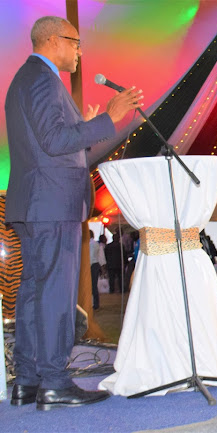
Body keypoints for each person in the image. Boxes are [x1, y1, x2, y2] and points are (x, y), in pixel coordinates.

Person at [5, 15, 143, 409]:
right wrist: (106, 119)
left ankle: (28, 380)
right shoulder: (41, 79)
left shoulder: (31, 80)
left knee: (34, 292)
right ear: (53, 40)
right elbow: (54, 141)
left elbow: (63, 148)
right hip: (49, 204)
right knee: (54, 295)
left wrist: (95, 126)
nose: (80, 51)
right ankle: (54, 381)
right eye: (76, 42)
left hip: (40, 202)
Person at [88, 230, 102, 310]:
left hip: (92, 265)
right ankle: (95, 303)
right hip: (95, 264)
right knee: (94, 285)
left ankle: (95, 304)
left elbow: (91, 256)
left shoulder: (91, 244)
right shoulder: (95, 243)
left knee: (93, 285)